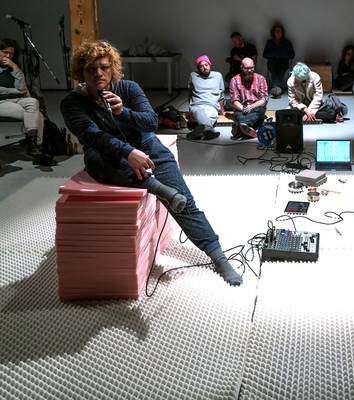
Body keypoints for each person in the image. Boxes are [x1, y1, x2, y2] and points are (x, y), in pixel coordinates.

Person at [60, 40, 242, 286]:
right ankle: (156, 188)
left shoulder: (128, 88)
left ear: (113, 68)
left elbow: (151, 121)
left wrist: (122, 112)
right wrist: (127, 152)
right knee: (93, 158)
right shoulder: (71, 102)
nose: (98, 73)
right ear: (81, 72)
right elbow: (92, 136)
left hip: (145, 145)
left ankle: (219, 257)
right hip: (108, 153)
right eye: (91, 68)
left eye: (104, 67)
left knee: (184, 201)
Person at [0, 38, 44, 155]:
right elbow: (15, 90)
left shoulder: (12, 67)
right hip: (2, 102)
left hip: (18, 99)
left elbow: (22, 88)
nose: (8, 56)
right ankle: (35, 146)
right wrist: (13, 91)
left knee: (33, 102)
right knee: (37, 115)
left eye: (11, 53)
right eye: (5, 52)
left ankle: (33, 145)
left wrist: (15, 68)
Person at [229, 57, 268, 139]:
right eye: (246, 68)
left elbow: (264, 100)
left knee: (258, 110)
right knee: (239, 113)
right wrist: (244, 109)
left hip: (256, 107)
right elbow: (234, 100)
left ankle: (240, 127)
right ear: (241, 67)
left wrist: (251, 107)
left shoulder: (261, 79)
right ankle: (245, 128)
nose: (249, 70)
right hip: (242, 108)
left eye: (251, 68)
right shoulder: (234, 80)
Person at [186, 55, 224, 141]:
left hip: (212, 106)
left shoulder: (218, 76)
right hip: (197, 106)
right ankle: (208, 130)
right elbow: (190, 94)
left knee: (212, 114)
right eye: (201, 66)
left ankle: (199, 131)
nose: (205, 68)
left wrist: (222, 110)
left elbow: (221, 95)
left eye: (206, 65)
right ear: (198, 68)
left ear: (210, 65)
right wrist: (190, 110)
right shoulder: (193, 75)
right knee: (198, 112)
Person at [262, 23, 295, 98]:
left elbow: (292, 55)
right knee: (274, 71)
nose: (278, 32)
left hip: (283, 61)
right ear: (273, 32)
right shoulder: (269, 43)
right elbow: (264, 55)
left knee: (281, 70)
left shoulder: (287, 42)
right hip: (272, 61)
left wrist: (284, 55)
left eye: (280, 30)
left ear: (282, 32)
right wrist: (273, 55)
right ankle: (277, 88)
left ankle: (275, 88)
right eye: (276, 31)